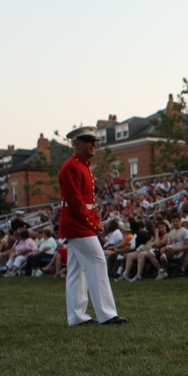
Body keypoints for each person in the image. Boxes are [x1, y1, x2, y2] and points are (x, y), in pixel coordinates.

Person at [58, 127, 127, 325]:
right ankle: (107, 314)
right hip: (77, 223)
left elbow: (88, 202)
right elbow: (75, 201)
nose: (94, 145)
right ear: (77, 144)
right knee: (97, 263)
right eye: (89, 141)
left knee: (76, 270)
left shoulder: (82, 166)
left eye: (94, 141)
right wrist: (91, 223)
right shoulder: (72, 167)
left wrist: (94, 221)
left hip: (79, 222)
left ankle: (77, 316)